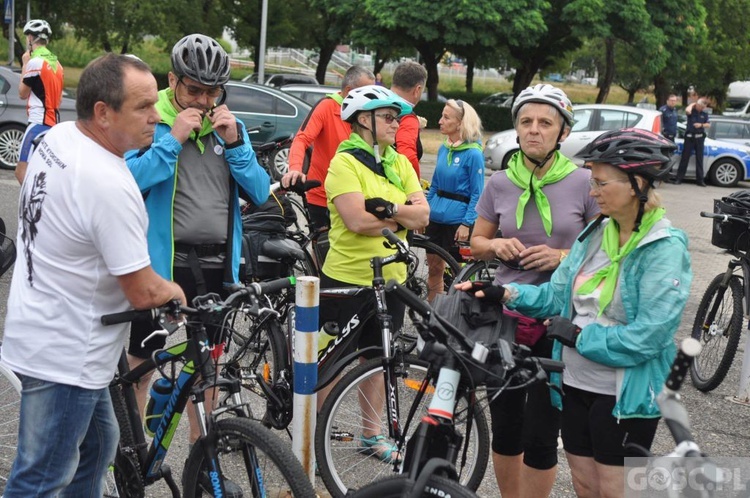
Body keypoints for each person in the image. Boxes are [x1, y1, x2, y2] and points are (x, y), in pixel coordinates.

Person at [460, 128, 692, 498]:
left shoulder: (662, 247)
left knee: (616, 491)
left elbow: (652, 334)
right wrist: (504, 292)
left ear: (636, 183)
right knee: (585, 486)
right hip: (573, 384)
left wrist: (582, 338)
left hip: (622, 396)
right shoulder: (596, 234)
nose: (592, 191)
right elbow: (556, 295)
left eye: (600, 183)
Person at [1, 53, 186, 497]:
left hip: (39, 329)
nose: (156, 115)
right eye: (143, 106)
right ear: (103, 112)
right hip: (67, 356)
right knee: (40, 479)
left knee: (100, 444)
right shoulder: (107, 182)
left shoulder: (60, 138)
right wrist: (176, 291)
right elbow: (142, 290)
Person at [125, 34, 270, 448]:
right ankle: (132, 452)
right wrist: (173, 138)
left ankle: (199, 449)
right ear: (172, 80)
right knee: (143, 357)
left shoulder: (232, 127)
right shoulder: (153, 124)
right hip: (160, 265)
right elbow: (128, 182)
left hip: (215, 265)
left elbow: (261, 193)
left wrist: (236, 145)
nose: (204, 101)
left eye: (212, 92)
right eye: (194, 90)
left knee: (208, 362)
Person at [469, 84, 600, 498]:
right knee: (506, 426)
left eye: (545, 122)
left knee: (543, 431)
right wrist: (495, 246)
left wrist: (563, 256)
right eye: (526, 122)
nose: (534, 130)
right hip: (504, 317)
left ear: (563, 132)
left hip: (560, 319)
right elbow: (476, 241)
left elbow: (605, 253)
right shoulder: (500, 183)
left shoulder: (585, 183)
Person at [321, 84, 429, 461]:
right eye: (387, 116)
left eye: (396, 116)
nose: (395, 123)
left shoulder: (398, 162)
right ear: (363, 121)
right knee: (332, 360)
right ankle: (318, 427)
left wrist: (386, 210)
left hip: (391, 277)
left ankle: (372, 434)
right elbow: (354, 220)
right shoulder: (344, 163)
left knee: (380, 358)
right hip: (347, 275)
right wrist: (400, 214)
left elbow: (424, 215)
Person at [280, 65, 375, 230]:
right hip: (322, 195)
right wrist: (295, 169)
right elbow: (301, 139)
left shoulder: (368, 113)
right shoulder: (326, 107)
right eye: (366, 93)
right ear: (348, 90)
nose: (371, 98)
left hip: (356, 196)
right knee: (322, 248)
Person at [425, 99, 484, 301]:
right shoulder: (443, 149)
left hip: (456, 222)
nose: (440, 121)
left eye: (446, 117)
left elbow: (478, 193)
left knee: (459, 274)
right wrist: (425, 213)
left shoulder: (473, 154)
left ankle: (456, 314)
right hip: (435, 218)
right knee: (434, 269)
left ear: (460, 123)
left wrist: (467, 223)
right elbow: (434, 185)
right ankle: (432, 313)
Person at [15, 19, 64, 184]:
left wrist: (24, 65)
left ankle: (31, 208)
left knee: (21, 172)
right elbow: (60, 99)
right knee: (43, 172)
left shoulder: (35, 62)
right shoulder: (57, 64)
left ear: (30, 38)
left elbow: (22, 93)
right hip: (53, 124)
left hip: (37, 123)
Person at [390, 61, 428, 177]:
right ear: (417, 90)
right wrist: (415, 187)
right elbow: (407, 155)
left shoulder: (375, 105)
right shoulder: (407, 116)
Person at [672, 98, 710, 186]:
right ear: (697, 105)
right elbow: (687, 110)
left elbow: (708, 124)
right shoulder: (691, 111)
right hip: (689, 138)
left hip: (699, 138)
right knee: (685, 158)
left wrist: (701, 125)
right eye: (701, 106)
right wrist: (693, 104)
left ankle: (700, 180)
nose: (702, 109)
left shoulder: (704, 114)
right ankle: (679, 179)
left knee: (699, 159)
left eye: (703, 107)